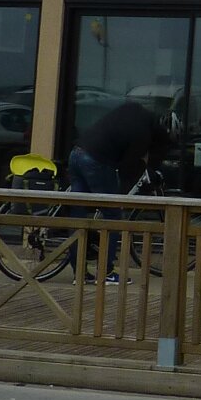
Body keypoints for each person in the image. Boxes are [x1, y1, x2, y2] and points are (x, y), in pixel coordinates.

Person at [68, 100, 172, 280]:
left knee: (77, 215)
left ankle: (80, 272)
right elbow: (127, 168)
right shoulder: (144, 135)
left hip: (76, 153)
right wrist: (145, 171)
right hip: (96, 161)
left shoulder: (132, 108)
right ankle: (106, 272)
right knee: (114, 216)